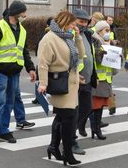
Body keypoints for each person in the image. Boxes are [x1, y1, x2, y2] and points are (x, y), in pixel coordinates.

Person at [0, 0, 36, 146]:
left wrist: (30, 68)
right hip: (0, 71)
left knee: (9, 102)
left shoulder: (22, 30)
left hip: (14, 71)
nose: (25, 14)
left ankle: (4, 130)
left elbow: (24, 51)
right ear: (17, 12)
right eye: (24, 11)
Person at [37, 11, 85, 166]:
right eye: (72, 23)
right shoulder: (49, 38)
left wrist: (77, 37)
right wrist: (43, 83)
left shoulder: (68, 37)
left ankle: (53, 147)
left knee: (62, 117)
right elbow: (43, 63)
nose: (74, 26)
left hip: (71, 82)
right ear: (65, 22)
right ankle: (67, 154)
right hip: (60, 82)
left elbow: (80, 55)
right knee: (68, 118)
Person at [72, 8, 98, 155]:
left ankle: (66, 134)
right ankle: (70, 140)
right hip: (74, 81)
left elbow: (90, 56)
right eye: (80, 21)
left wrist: (94, 76)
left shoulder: (86, 35)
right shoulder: (69, 35)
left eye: (85, 22)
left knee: (86, 108)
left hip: (86, 80)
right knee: (70, 113)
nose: (83, 24)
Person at [90, 20, 115, 140]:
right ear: (99, 31)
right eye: (106, 30)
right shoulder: (95, 41)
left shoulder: (107, 42)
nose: (108, 33)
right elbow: (97, 59)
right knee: (96, 106)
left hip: (106, 78)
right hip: (99, 79)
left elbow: (114, 65)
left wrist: (117, 55)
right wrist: (107, 54)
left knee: (99, 106)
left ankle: (94, 128)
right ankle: (95, 128)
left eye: (109, 30)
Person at [105, 15, 118, 115]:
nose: (111, 21)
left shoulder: (112, 30)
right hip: (108, 56)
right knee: (108, 86)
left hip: (108, 56)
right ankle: (111, 105)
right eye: (109, 20)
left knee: (107, 85)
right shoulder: (105, 30)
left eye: (112, 20)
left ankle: (111, 105)